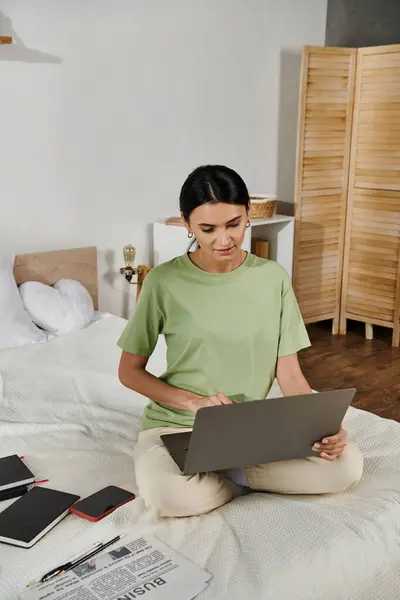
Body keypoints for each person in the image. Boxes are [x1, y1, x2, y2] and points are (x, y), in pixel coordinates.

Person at [118, 165, 363, 518]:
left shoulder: (272, 279)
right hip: (177, 425)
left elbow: (291, 376)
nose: (224, 240)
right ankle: (234, 478)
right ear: (187, 224)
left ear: (248, 213)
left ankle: (229, 475)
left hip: (251, 430)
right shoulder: (163, 281)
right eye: (207, 229)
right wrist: (194, 402)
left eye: (233, 224)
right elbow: (129, 371)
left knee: (347, 465)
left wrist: (324, 428)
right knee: (166, 496)